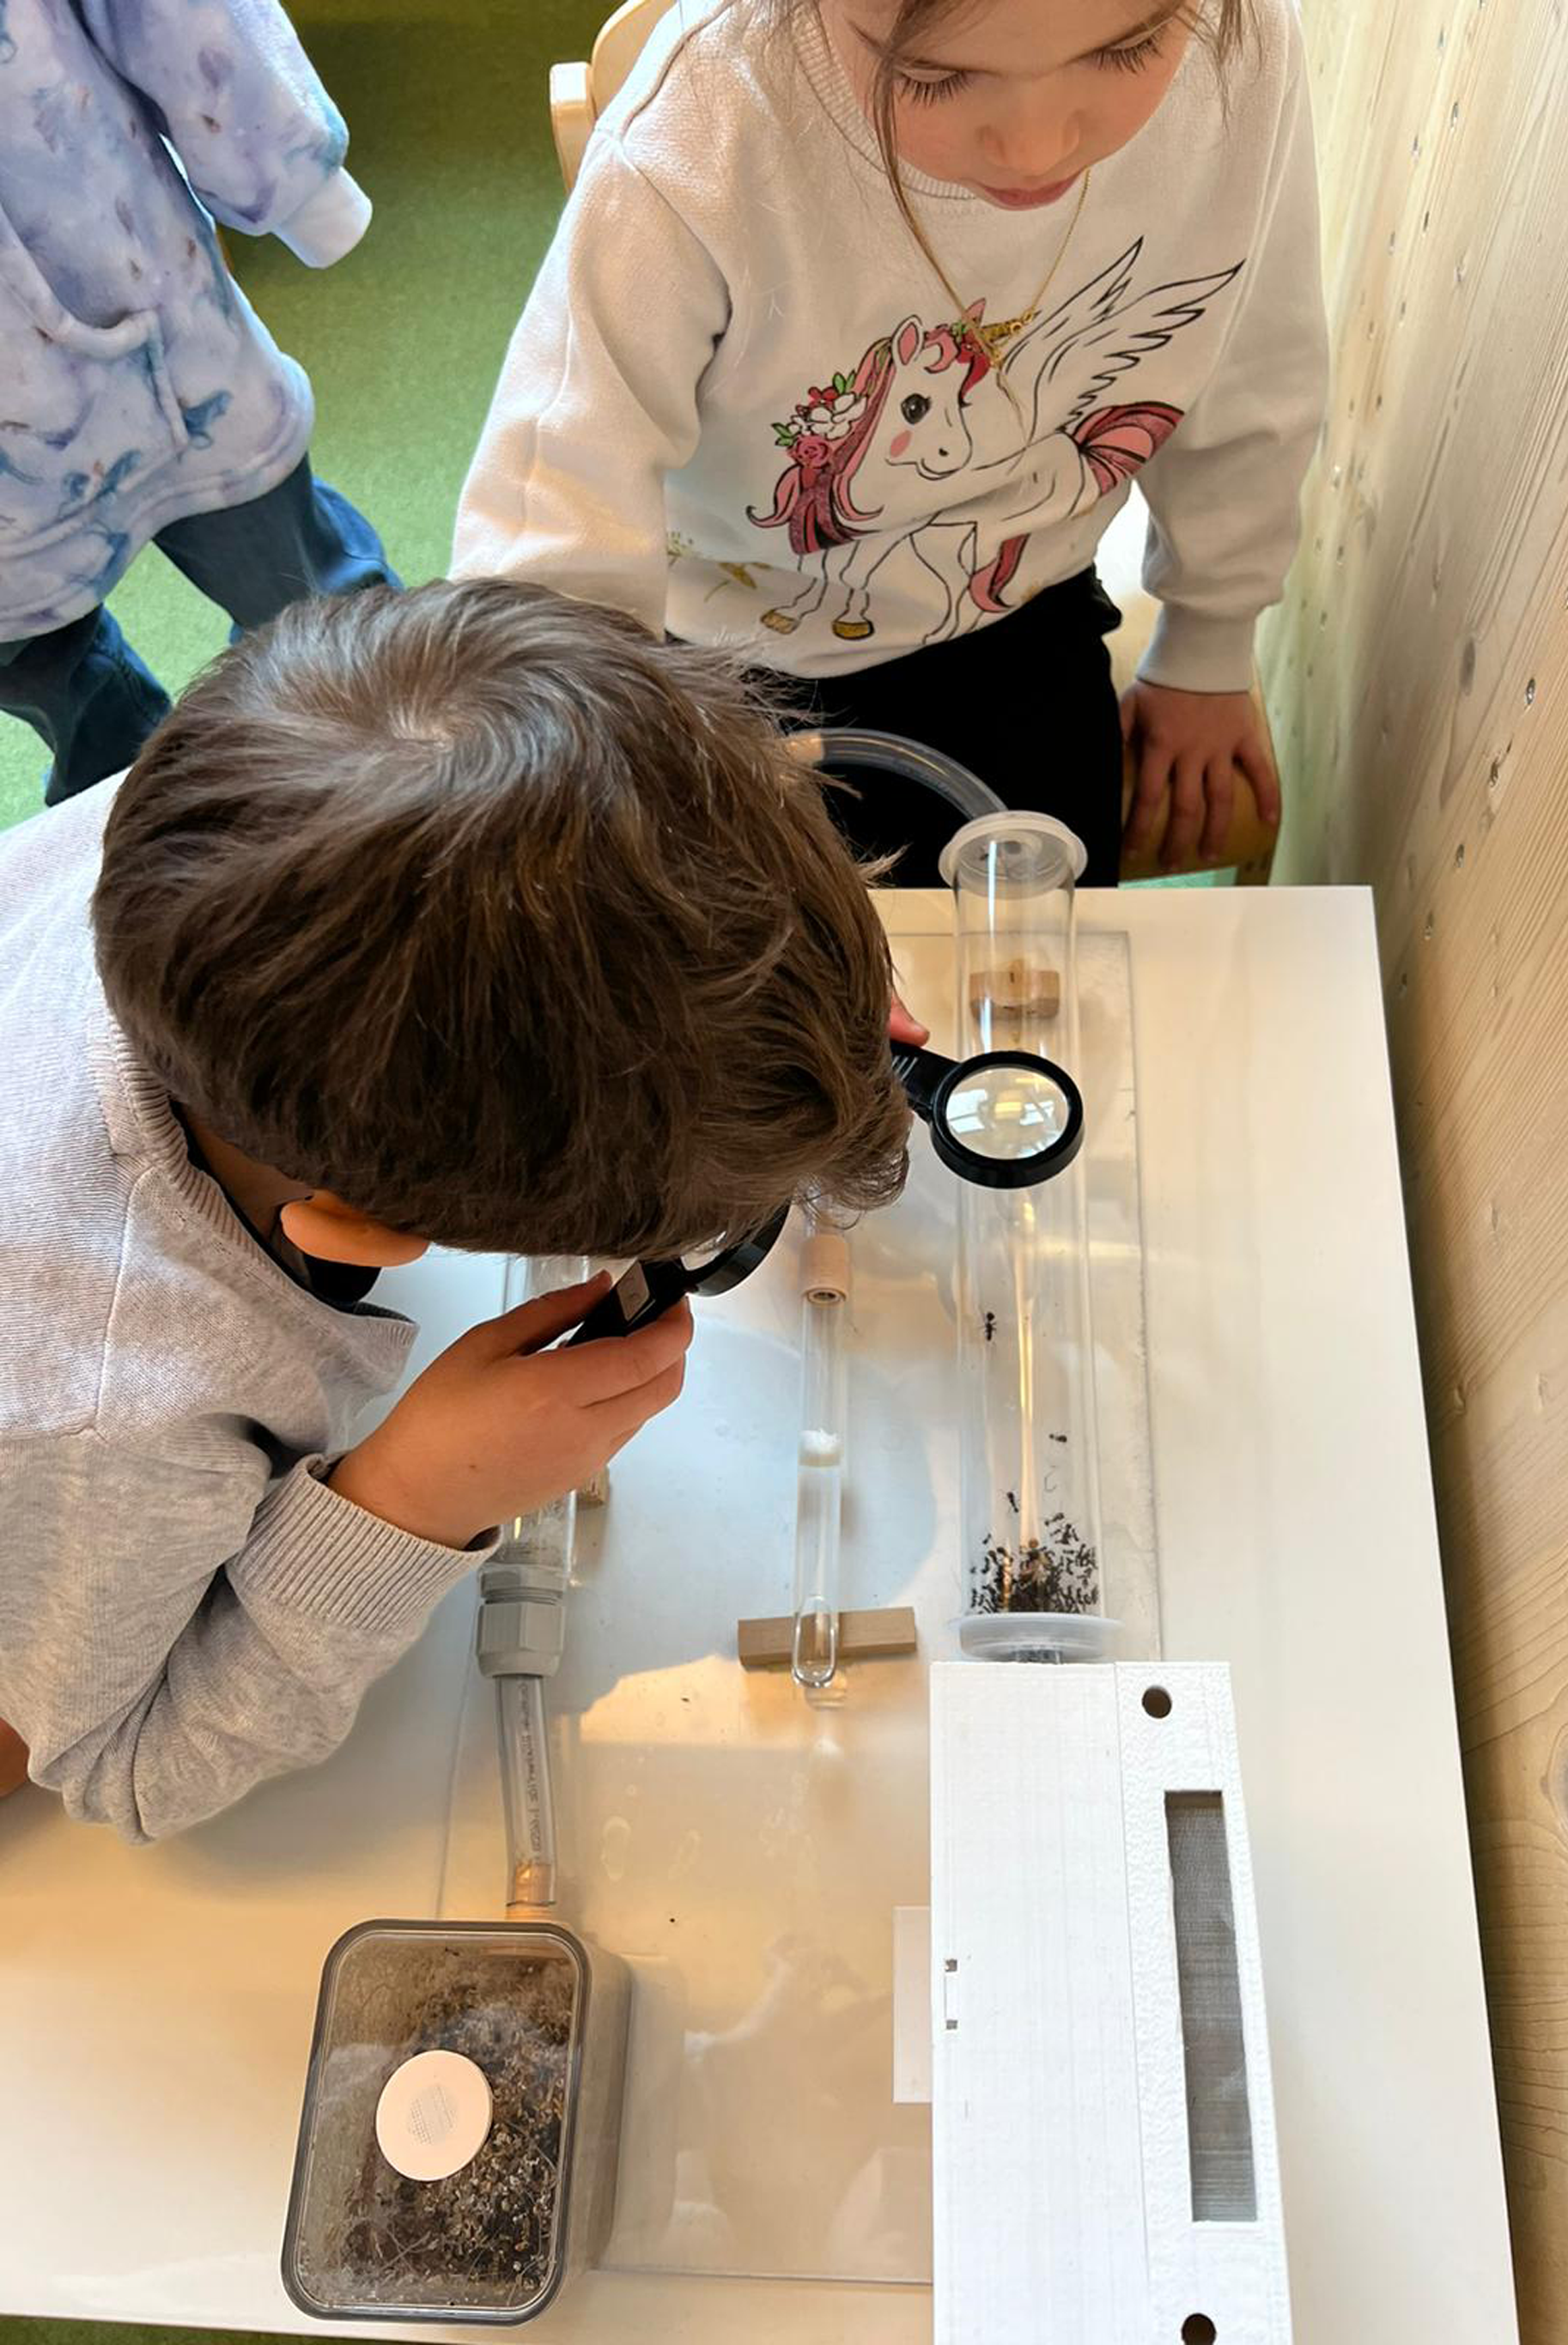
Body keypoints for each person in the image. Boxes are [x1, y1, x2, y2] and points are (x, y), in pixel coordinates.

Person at [0, 578, 911, 1840]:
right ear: (358, 1228)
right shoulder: (114, 1407)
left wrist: (811, 1021)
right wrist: (404, 1500)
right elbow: (123, 1764)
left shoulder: (237, 806)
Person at [453, 0, 1328, 885]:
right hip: (709, 650)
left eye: (1128, 50)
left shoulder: (1242, 51)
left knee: (1041, 934)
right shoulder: (703, 126)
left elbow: (1255, 364)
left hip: (1014, 614)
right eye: (932, 77)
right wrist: (575, 756)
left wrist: (1209, 642)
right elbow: (563, 495)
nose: (1035, 149)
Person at [0, 0, 396, 805]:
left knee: (303, 589)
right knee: (42, 669)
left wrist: (291, 180)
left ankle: (402, 770)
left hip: (152, 332)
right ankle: (137, 806)